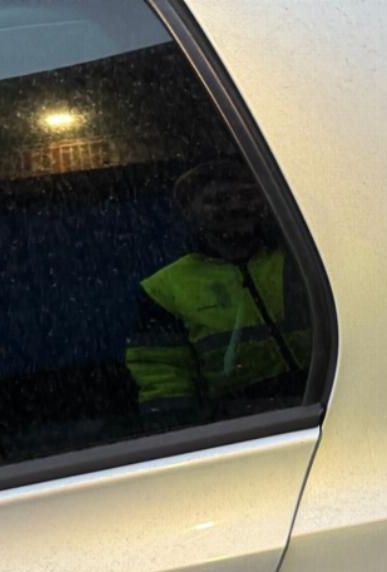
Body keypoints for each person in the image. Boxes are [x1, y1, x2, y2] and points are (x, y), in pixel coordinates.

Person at [125, 158, 310, 426]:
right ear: (190, 211)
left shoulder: (302, 258)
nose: (236, 206)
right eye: (219, 199)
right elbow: (164, 378)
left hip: (325, 405)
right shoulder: (164, 289)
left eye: (247, 195)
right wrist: (178, 432)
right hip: (239, 429)